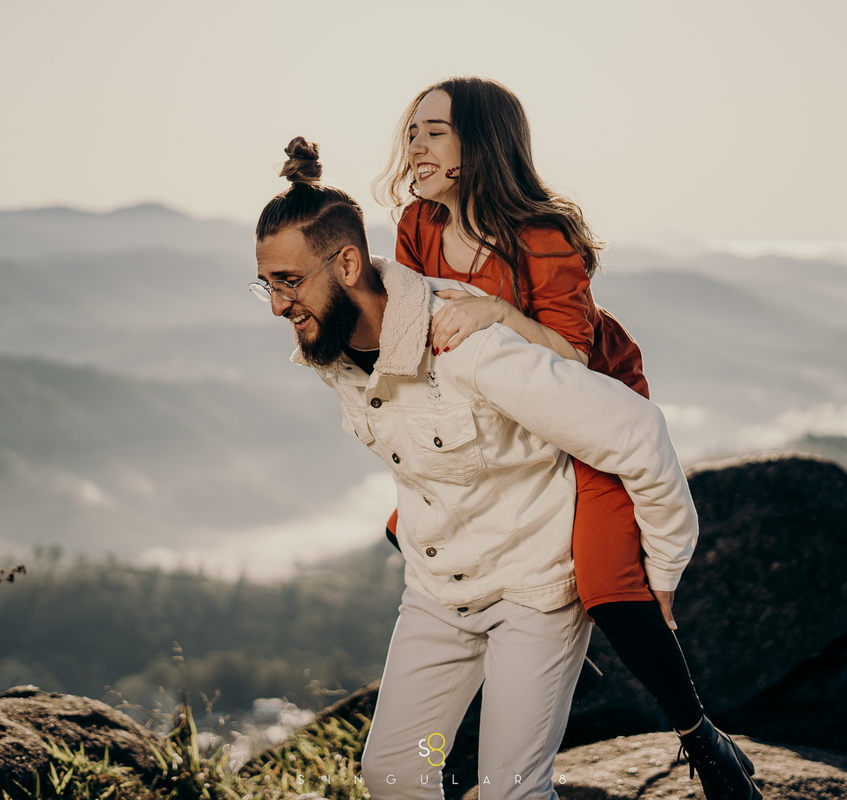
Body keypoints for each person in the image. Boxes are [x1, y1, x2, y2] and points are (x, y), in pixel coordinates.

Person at [253, 137, 700, 800]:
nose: (275, 305)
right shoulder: (333, 353)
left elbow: (635, 430)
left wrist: (662, 569)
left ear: (348, 263)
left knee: (508, 792)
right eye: (265, 284)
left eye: (288, 282)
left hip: (534, 593)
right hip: (438, 590)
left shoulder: (466, 344)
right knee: (395, 772)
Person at [374, 77, 760, 800]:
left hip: (590, 405)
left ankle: (699, 737)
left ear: (479, 144)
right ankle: (545, 662)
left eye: (434, 131)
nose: (414, 144)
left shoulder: (543, 237)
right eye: (412, 131)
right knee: (411, 530)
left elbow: (572, 361)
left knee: (607, 581)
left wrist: (494, 311)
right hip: (502, 417)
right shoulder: (417, 225)